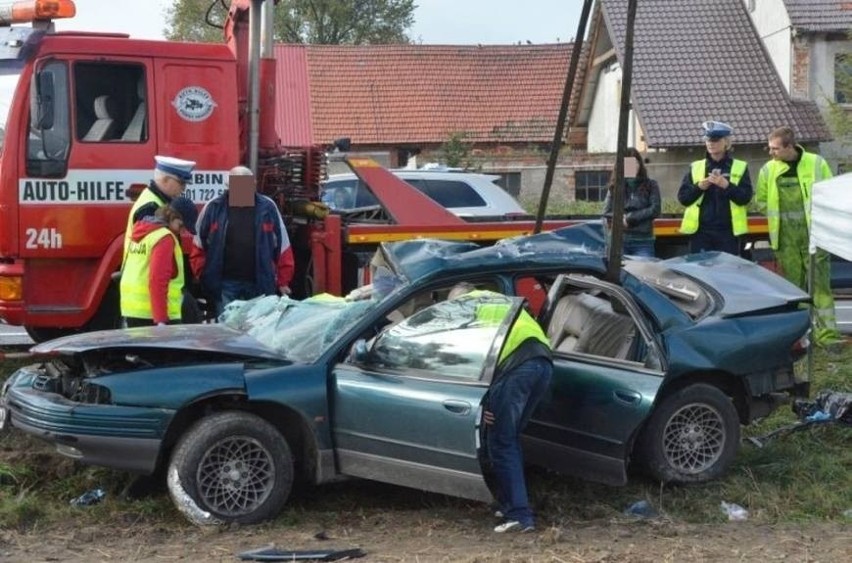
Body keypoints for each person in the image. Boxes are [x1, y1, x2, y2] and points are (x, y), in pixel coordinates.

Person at [447, 283, 553, 534]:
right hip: (542, 364)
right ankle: (510, 505)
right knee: (509, 438)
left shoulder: (466, 306)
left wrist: (480, 404)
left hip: (516, 369)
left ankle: (519, 516)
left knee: (501, 442)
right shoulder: (496, 299)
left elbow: (469, 361)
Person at [756, 126, 841, 347]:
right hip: (785, 238)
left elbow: (830, 194)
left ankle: (827, 337)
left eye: (775, 148)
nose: (770, 152)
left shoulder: (816, 163)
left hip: (814, 236)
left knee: (820, 286)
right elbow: (762, 200)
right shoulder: (768, 170)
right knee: (794, 289)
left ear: (789, 147)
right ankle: (801, 338)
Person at [192, 165, 295, 316]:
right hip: (225, 285)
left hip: (259, 284)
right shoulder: (214, 207)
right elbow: (198, 246)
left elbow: (282, 247)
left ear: (254, 183)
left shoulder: (268, 208)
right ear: (228, 185)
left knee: (257, 332)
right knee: (228, 332)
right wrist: (204, 276)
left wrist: (283, 281)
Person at [677, 121, 753, 255]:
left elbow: (745, 198)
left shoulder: (740, 167)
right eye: (708, 140)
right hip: (701, 233)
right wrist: (699, 187)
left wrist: (727, 186)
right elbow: (683, 198)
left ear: (726, 142)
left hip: (728, 233)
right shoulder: (696, 166)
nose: (711, 143)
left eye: (715, 140)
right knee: (700, 272)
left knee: (726, 273)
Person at [120, 204, 186, 327]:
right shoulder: (164, 237)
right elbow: (157, 279)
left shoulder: (141, 233)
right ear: (171, 218)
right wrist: (160, 319)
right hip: (155, 315)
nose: (181, 231)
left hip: (133, 310)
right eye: (180, 225)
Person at [124, 155, 196, 258]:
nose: (184, 188)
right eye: (181, 183)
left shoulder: (153, 200)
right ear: (166, 180)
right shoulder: (150, 208)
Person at [602, 147, 661, 257]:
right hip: (619, 242)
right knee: (618, 273)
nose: (632, 166)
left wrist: (630, 218)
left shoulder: (651, 185)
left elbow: (655, 209)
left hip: (643, 242)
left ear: (640, 164)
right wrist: (620, 218)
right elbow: (606, 212)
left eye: (635, 162)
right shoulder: (615, 186)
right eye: (628, 163)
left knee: (643, 272)